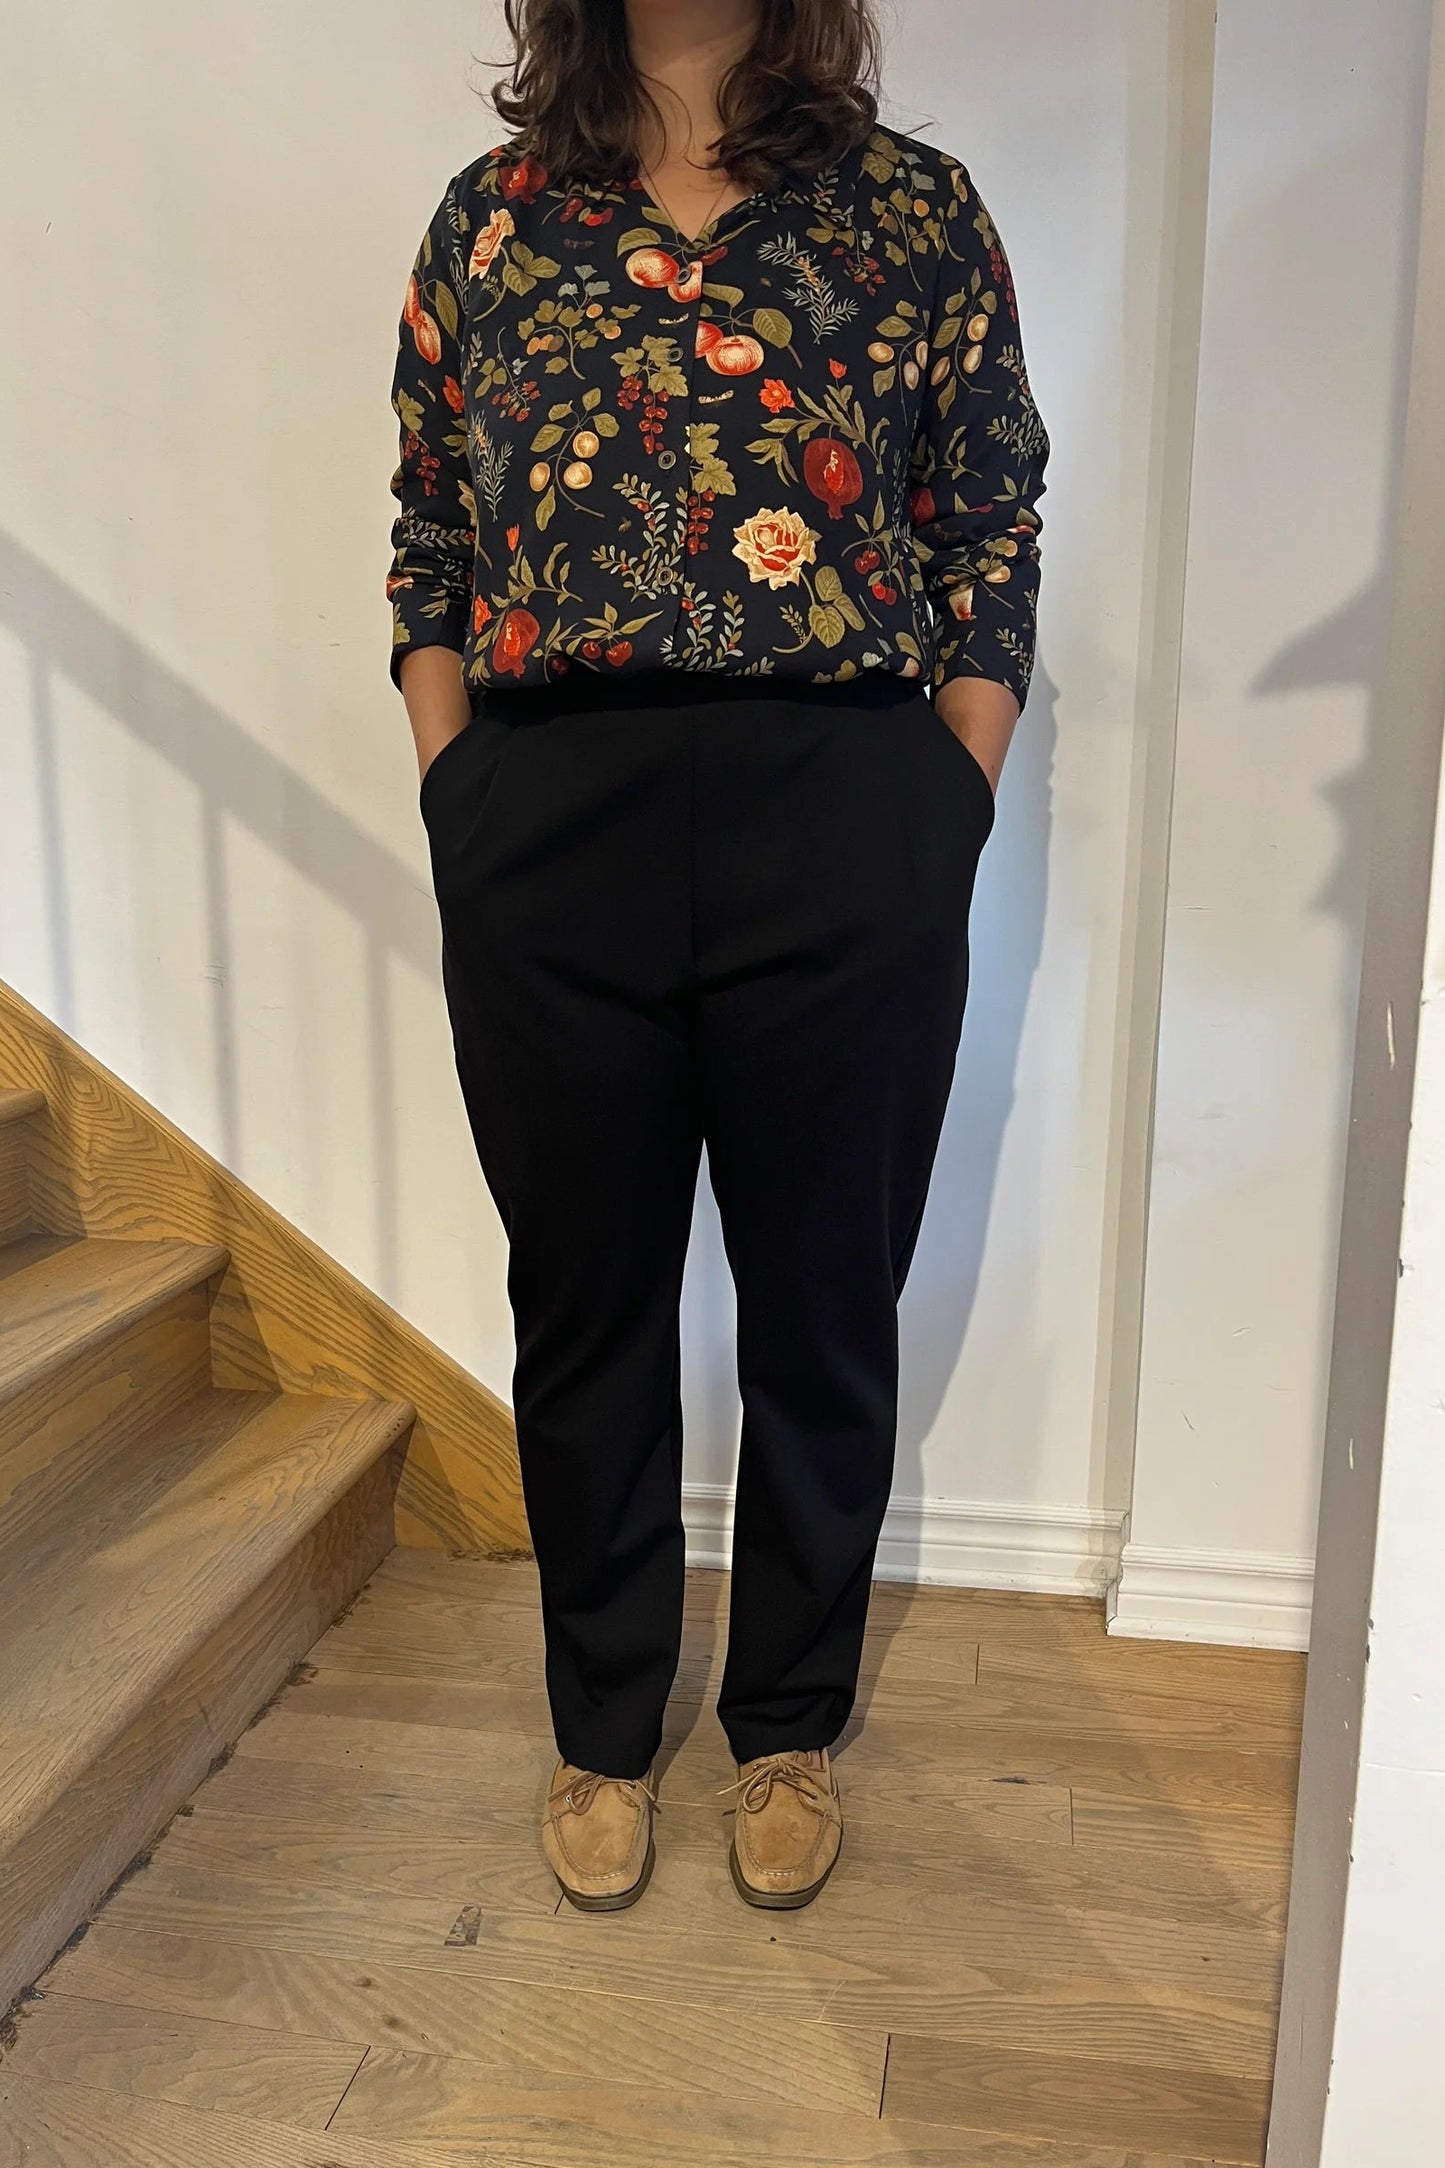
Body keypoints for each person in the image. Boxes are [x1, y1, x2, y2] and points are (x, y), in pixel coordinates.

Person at [386, 0, 1048, 1914]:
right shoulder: (491, 222)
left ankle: (783, 1725)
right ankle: (603, 1727)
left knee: (822, 1301)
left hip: (839, 804)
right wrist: (459, 800)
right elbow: (430, 527)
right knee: (583, 1301)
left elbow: (986, 519)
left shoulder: (910, 213)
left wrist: (942, 800)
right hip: (549, 813)